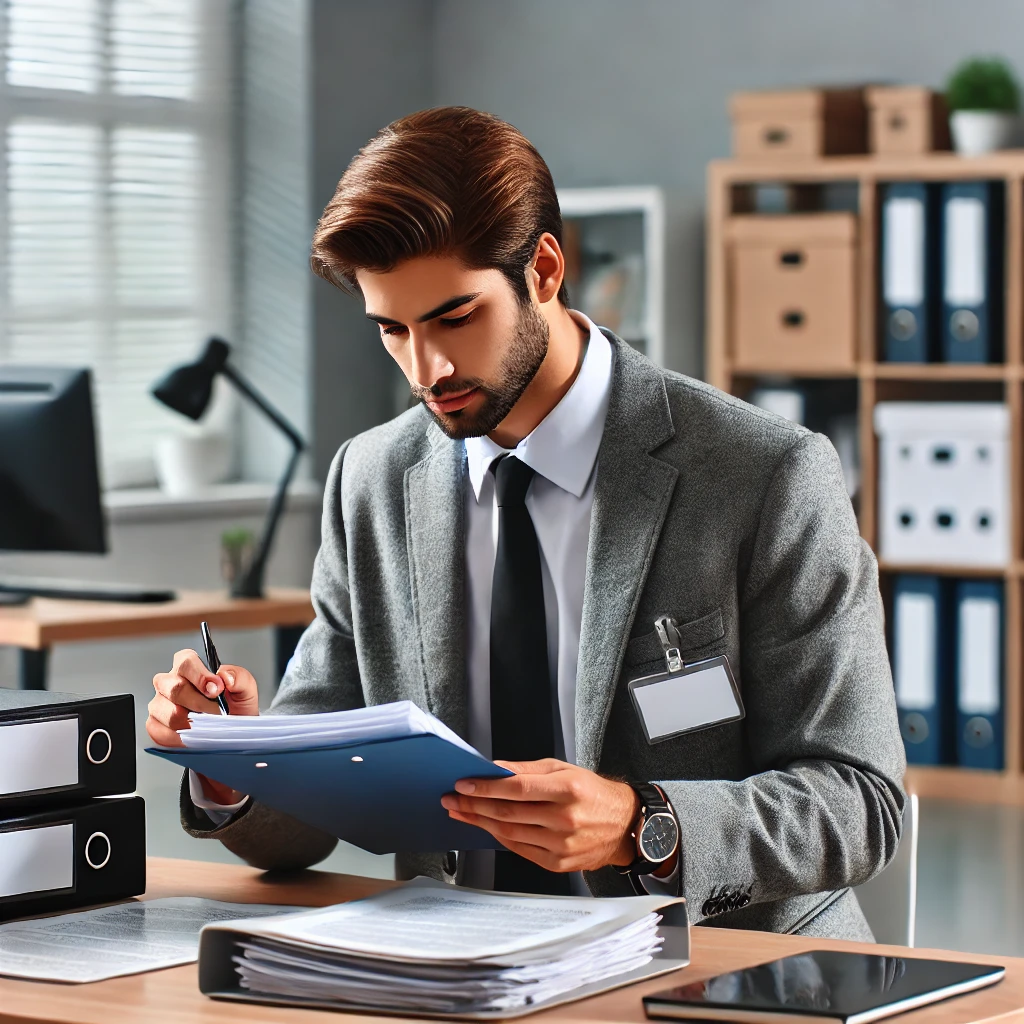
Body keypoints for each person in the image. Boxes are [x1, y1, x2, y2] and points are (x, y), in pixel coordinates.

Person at [147, 106, 905, 939]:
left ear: (544, 267)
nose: (426, 369)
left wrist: (639, 824)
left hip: (720, 974)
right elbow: (307, 820)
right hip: (464, 968)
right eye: (392, 330)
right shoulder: (371, 480)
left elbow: (859, 801)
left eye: (454, 317)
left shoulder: (762, 475)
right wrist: (237, 763)